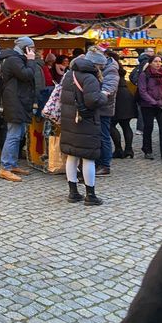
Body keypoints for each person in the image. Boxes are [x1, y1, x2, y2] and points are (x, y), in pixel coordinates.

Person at [60, 49, 108, 206]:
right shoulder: (90, 78)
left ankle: (73, 193)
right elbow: (92, 101)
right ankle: (90, 195)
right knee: (88, 157)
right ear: (96, 65)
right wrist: (104, 96)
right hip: (86, 121)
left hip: (69, 120)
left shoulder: (69, 74)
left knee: (72, 155)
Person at [0, 37, 39, 182]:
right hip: (14, 102)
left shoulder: (17, 59)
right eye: (31, 48)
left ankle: (12, 164)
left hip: (18, 101)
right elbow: (27, 74)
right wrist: (31, 60)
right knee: (13, 135)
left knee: (18, 134)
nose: (33, 51)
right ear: (25, 48)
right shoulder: (13, 60)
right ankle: (5, 167)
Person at [93, 44, 119, 176]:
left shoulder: (111, 69)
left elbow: (109, 88)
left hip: (104, 107)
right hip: (97, 106)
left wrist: (96, 97)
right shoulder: (103, 67)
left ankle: (105, 165)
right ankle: (98, 162)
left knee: (103, 136)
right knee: (98, 136)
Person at [137, 54, 162, 160]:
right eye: (155, 61)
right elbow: (142, 91)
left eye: (159, 61)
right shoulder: (144, 75)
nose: (158, 63)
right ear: (151, 63)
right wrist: (153, 102)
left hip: (161, 105)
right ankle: (147, 150)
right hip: (148, 105)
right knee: (148, 128)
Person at [110, 52, 137, 159]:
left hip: (117, 97)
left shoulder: (111, 68)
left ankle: (118, 149)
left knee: (110, 125)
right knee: (126, 124)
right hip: (126, 95)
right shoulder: (119, 68)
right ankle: (129, 150)